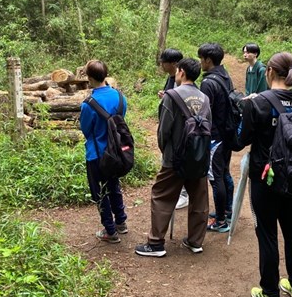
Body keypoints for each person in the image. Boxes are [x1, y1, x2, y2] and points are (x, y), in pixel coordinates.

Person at [236, 52, 292, 297]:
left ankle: (271, 292)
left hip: (264, 177)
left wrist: (242, 111)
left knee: (266, 234)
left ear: (269, 73)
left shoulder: (258, 102)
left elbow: (240, 140)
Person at [135, 58, 211, 257]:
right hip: (199, 158)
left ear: (182, 72)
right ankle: (195, 242)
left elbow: (163, 131)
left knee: (162, 196)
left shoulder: (171, 96)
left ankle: (156, 244)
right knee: (199, 199)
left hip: (174, 159)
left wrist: (165, 152)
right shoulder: (205, 98)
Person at [80, 60, 129, 244]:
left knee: (99, 193)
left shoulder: (88, 104)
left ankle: (110, 230)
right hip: (117, 151)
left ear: (90, 78)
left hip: (97, 154)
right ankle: (121, 222)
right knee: (113, 186)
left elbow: (86, 130)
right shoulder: (119, 97)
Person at [198, 43, 235, 233]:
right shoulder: (225, 75)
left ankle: (220, 220)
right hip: (227, 133)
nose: (200, 62)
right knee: (225, 173)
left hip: (215, 136)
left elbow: (203, 112)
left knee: (215, 178)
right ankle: (228, 210)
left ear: (208, 60)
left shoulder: (208, 82)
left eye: (201, 59)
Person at [158, 48, 189, 210]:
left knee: (176, 162)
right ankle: (177, 192)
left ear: (174, 64)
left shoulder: (180, 81)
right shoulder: (171, 78)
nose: (161, 65)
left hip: (177, 130)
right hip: (170, 128)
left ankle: (183, 195)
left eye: (164, 62)